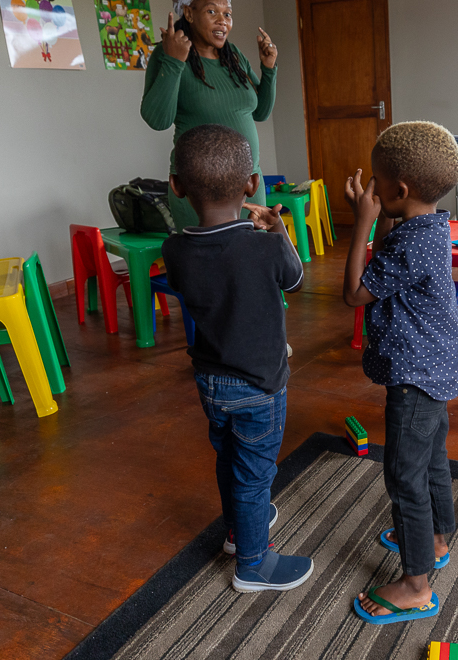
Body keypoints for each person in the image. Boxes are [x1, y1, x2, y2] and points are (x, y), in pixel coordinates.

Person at [161, 124, 312, 593]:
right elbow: (295, 281)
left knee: (228, 459)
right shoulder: (265, 245)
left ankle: (235, 529)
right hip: (260, 386)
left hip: (210, 381)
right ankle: (253, 564)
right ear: (251, 184)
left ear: (177, 188)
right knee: (254, 476)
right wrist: (280, 230)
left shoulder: (175, 248)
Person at [343, 122, 458, 624]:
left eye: (377, 183)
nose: (370, 190)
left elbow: (354, 293)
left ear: (398, 191)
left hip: (415, 379)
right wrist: (380, 219)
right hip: (434, 372)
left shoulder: (404, 243)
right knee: (431, 458)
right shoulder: (432, 226)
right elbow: (395, 242)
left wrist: (361, 224)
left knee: (403, 475)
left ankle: (416, 585)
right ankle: (436, 539)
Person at [141, 0, 278, 230]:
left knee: (252, 264)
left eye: (227, 14)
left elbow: (259, 113)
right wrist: (173, 62)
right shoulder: (167, 53)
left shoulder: (233, 55)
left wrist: (268, 69)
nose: (223, 21)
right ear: (189, 14)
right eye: (212, 12)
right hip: (199, 193)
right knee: (208, 266)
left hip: (249, 185)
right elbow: (158, 120)